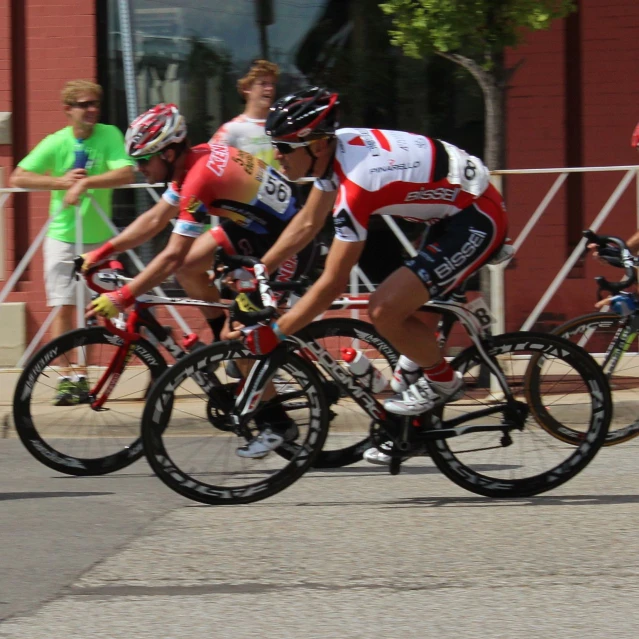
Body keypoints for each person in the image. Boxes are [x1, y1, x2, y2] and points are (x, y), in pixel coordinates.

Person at [229, 86, 509, 461]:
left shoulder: (357, 184)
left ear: (315, 145)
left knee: (383, 310)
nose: (277, 155)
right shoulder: (334, 151)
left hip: (475, 218)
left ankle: (444, 381)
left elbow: (331, 284)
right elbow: (309, 221)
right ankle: (413, 431)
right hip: (450, 212)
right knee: (405, 326)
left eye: (284, 147)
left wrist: (278, 333)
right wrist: (262, 266)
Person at [81, 103, 316, 451]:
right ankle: (223, 332)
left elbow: (170, 252)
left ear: (170, 151)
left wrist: (122, 296)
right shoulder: (193, 160)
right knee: (192, 266)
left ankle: (277, 423)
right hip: (256, 230)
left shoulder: (199, 176)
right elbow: (154, 220)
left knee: (240, 336)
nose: (141, 169)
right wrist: (102, 252)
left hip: (286, 244)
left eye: (145, 160)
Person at [9, 79, 135, 405]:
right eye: (84, 104)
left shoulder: (109, 134)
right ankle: (70, 379)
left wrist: (87, 183)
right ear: (68, 110)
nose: (92, 110)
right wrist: (60, 182)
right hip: (63, 237)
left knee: (100, 307)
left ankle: (94, 371)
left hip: (100, 240)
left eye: (95, 103)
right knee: (63, 307)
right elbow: (18, 176)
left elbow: (126, 173)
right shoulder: (56, 142)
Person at [210, 59, 279, 168]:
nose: (270, 88)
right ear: (246, 88)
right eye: (263, 83)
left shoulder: (281, 125)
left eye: (272, 84)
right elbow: (209, 164)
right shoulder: (232, 129)